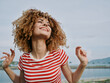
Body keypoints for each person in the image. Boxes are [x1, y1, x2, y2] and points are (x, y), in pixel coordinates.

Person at [1, 9, 88, 83]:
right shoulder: (24, 59)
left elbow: (72, 80)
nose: (46, 25)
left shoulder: (58, 54)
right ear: (30, 28)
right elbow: (21, 81)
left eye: (48, 24)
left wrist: (83, 63)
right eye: (40, 22)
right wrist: (6, 68)